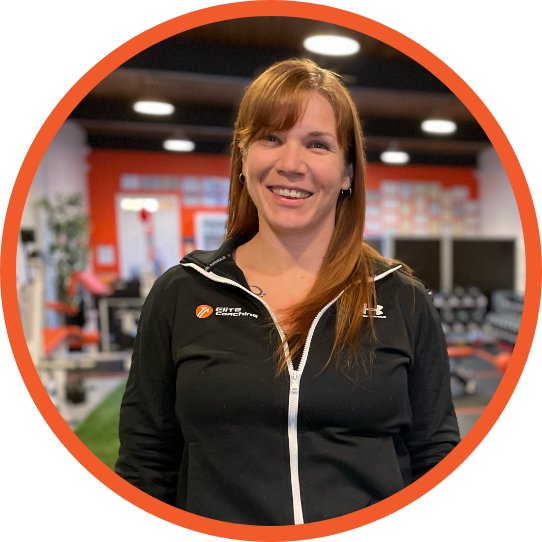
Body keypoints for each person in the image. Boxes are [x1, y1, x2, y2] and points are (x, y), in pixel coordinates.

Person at [115, 58, 460, 525]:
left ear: (348, 173)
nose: (291, 164)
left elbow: (436, 455)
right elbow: (145, 463)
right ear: (243, 158)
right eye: (271, 138)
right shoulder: (181, 293)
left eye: (317, 144)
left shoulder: (403, 299)